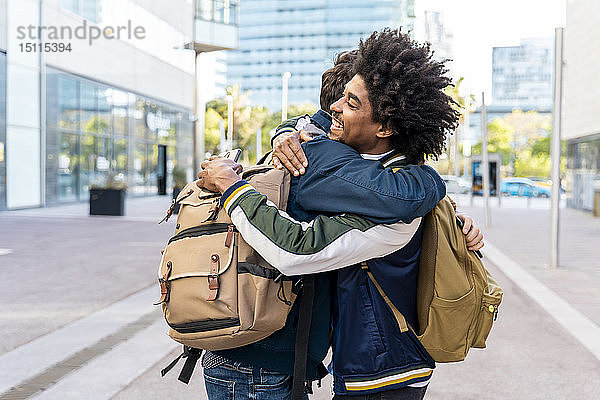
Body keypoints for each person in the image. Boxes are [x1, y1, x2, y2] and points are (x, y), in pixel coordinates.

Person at [199, 29, 483, 400]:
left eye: (350, 102)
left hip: (381, 367)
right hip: (282, 351)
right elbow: (320, 132)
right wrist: (287, 131)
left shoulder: (392, 190)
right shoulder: (344, 157)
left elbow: (300, 247)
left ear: (385, 126)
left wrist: (233, 187)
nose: (334, 110)